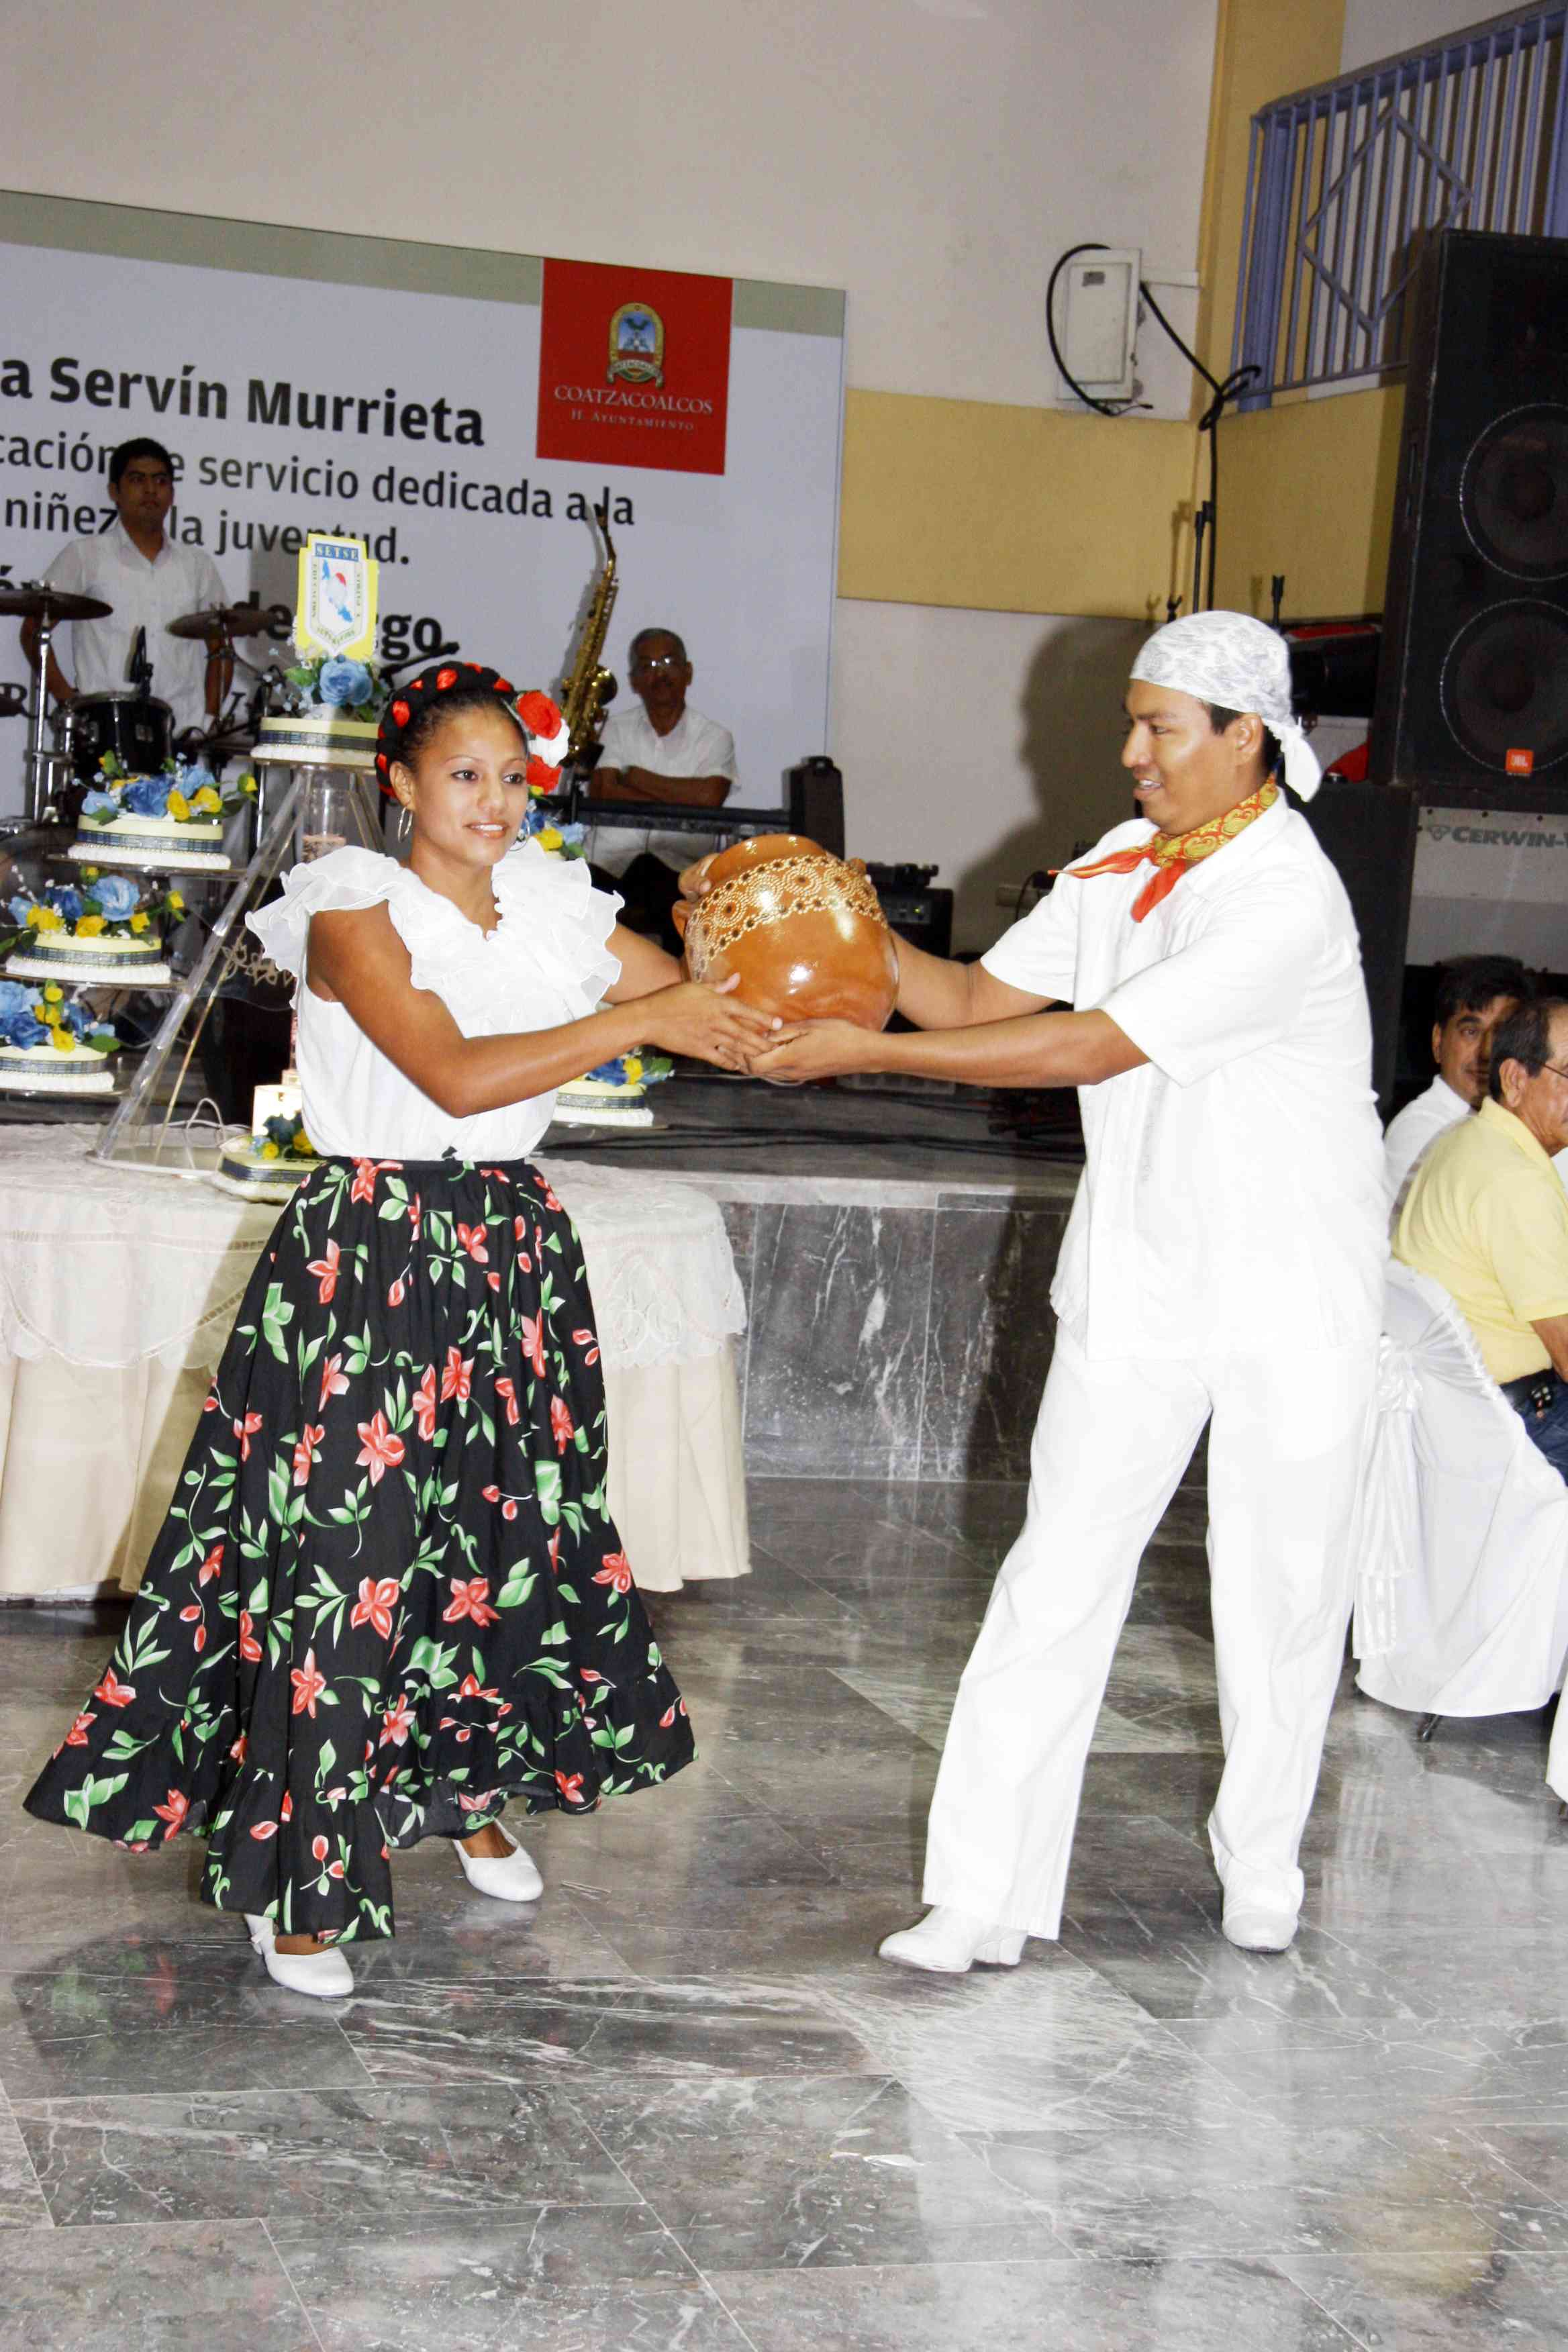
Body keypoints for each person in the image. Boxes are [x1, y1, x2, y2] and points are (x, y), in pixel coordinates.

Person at [25, 663, 775, 2000]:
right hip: (371, 1250)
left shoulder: (552, 901)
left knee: (492, 1544)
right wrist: (650, 1016)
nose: (494, 802)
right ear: (403, 783)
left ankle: (460, 1790)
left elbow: (714, 1004)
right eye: (463, 775)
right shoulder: (351, 909)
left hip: (510, 1255)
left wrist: (777, 957)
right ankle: (298, 1882)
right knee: (344, 1562)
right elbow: (455, 1075)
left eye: (512, 777)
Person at [738, 611, 1387, 1969]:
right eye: (1132, 723)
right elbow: (977, 1003)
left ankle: (1262, 1862)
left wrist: (865, 1050)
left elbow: (1085, 1048)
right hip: (1140, 1281)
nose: (1132, 751)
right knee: (1052, 1578)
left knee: (1280, 1589)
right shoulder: (1117, 862)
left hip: (1292, 1299)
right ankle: (980, 1893)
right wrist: (843, 929)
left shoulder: (1286, 896)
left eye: (1160, 727)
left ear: (1245, 738)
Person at [1394, 996, 1568, 1480]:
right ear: (1515, 1079)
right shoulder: (1515, 1179)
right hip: (1522, 1425)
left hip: (1459, 1415)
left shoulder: (1466, 1141)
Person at [19, 436, 229, 740]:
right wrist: (69, 703)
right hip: (105, 734)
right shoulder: (85, 555)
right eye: (137, 480)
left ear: (172, 493)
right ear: (114, 491)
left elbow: (222, 648)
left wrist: (207, 720)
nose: (150, 490)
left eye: (160, 480)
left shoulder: (197, 565)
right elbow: (33, 631)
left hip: (181, 735)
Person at [588, 628, 736, 952]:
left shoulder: (714, 738)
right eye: (648, 666)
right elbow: (604, 792)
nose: (660, 674)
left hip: (679, 875)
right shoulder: (616, 729)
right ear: (634, 681)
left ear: (688, 672)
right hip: (609, 868)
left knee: (677, 901)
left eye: (669, 662)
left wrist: (635, 777)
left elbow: (710, 797)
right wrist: (682, 796)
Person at [1383, 955, 1528, 1213]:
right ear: (1438, 1041)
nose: (1486, 1052)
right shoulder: (1420, 1132)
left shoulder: (1524, 1123)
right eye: (1471, 1032)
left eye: (1502, 1034)